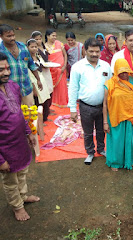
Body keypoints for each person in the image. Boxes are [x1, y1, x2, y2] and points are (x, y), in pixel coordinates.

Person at [0, 52, 40, 221]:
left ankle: (23, 197)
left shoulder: (13, 86)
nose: (6, 73)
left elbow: (20, 113)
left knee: (23, 172)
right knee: (10, 181)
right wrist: (0, 160)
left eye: (7, 68)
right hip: (5, 149)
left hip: (20, 143)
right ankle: (17, 207)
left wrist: (29, 132)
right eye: (1, 70)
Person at [68, 38, 112, 165]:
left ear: (100, 51)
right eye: (91, 51)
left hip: (102, 106)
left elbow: (110, 85)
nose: (94, 54)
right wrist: (72, 109)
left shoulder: (106, 66)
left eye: (97, 51)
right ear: (85, 50)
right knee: (87, 132)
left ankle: (101, 149)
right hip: (85, 106)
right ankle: (90, 152)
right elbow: (73, 88)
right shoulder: (77, 67)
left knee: (101, 130)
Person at [103, 58, 133, 171]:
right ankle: (114, 162)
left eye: (126, 71)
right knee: (115, 141)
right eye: (121, 72)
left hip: (129, 118)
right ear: (116, 71)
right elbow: (105, 105)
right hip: (115, 117)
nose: (124, 74)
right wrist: (105, 122)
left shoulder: (132, 81)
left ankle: (129, 160)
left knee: (128, 140)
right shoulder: (109, 84)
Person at [0, 24, 42, 106]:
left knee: (30, 114)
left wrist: (38, 80)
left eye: (13, 35)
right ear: (1, 36)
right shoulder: (0, 51)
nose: (12, 38)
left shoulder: (23, 47)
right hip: (9, 91)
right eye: (8, 36)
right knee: (14, 115)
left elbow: (31, 64)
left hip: (26, 88)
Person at [31, 31, 54, 120]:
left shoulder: (38, 54)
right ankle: (40, 118)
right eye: (36, 40)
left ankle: (45, 114)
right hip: (35, 78)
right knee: (38, 98)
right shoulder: (29, 57)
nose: (38, 41)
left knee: (46, 94)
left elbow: (44, 61)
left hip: (41, 76)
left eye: (40, 39)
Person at [45, 29, 68, 108]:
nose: (55, 37)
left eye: (55, 35)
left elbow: (65, 55)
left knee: (62, 87)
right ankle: (53, 103)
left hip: (61, 69)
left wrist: (64, 65)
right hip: (52, 70)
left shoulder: (59, 44)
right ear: (48, 36)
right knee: (52, 87)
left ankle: (62, 103)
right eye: (53, 35)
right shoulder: (44, 46)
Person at [26, 39, 51, 114]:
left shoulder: (38, 56)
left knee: (44, 98)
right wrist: (33, 86)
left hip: (41, 78)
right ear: (27, 47)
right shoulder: (27, 59)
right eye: (32, 47)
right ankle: (38, 118)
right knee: (37, 99)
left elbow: (43, 64)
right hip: (33, 80)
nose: (34, 49)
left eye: (35, 47)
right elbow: (29, 73)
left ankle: (44, 116)